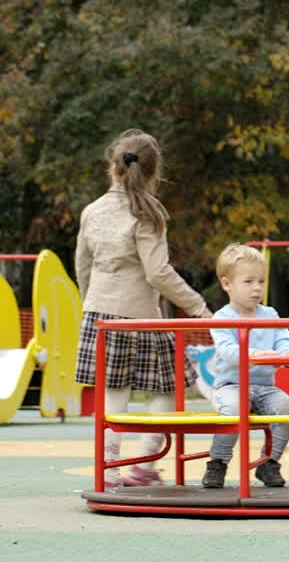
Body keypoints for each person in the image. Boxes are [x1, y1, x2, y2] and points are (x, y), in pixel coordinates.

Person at [73, 129, 213, 488]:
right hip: (140, 315)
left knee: (112, 392)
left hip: (99, 313)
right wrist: (197, 306)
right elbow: (158, 272)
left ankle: (110, 467)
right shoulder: (148, 212)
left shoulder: (92, 211)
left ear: (113, 167)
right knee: (167, 387)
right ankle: (145, 465)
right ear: (152, 173)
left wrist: (92, 306)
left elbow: (83, 266)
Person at [203, 244, 289, 489]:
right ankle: (218, 462)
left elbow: (283, 338)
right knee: (234, 409)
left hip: (264, 386)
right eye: (248, 282)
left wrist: (287, 353)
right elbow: (228, 351)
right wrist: (256, 354)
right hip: (231, 385)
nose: (257, 288)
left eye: (261, 281)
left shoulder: (270, 315)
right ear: (227, 284)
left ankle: (269, 462)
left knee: (288, 408)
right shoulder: (222, 318)